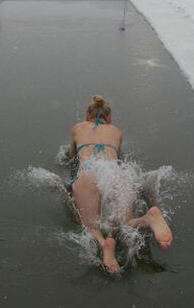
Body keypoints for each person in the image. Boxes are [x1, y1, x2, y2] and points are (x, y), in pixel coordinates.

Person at [68, 95, 173, 273]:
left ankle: (104, 245)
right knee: (126, 223)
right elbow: (119, 155)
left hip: (88, 170)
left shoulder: (78, 128)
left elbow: (71, 156)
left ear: (87, 116)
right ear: (110, 118)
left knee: (91, 226)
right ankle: (149, 218)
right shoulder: (116, 131)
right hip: (115, 171)